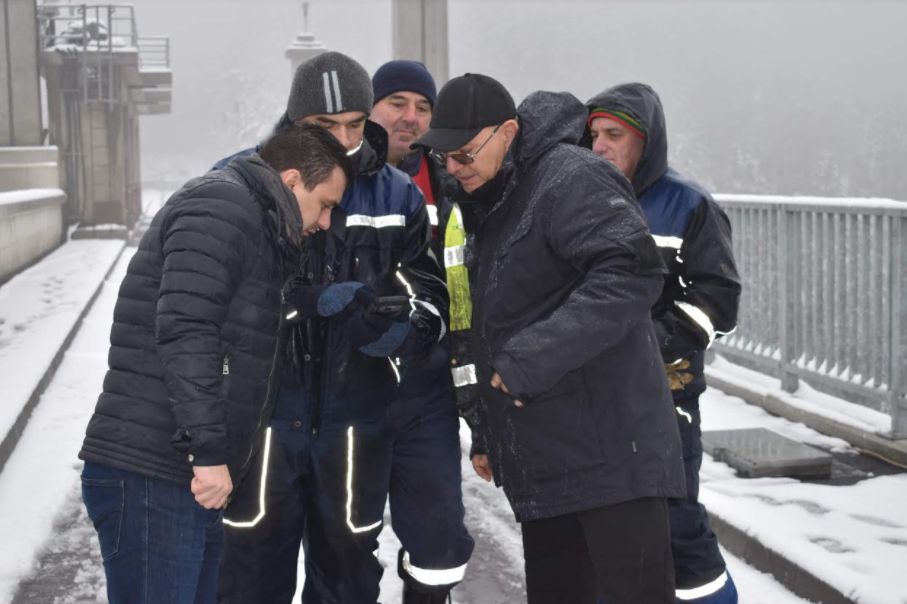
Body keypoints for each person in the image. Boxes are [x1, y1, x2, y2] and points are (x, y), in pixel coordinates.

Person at [415, 73, 686, 604]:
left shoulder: (571, 177)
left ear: (508, 132)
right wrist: (487, 427)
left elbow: (630, 273)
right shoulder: (492, 198)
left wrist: (532, 360)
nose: (454, 167)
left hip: (611, 454)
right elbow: (488, 321)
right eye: (445, 157)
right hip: (547, 457)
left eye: (465, 153)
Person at [78, 124, 352, 604]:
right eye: (325, 204)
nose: (327, 222)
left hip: (181, 474)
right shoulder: (222, 207)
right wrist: (206, 453)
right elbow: (188, 327)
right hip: (156, 474)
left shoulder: (252, 218)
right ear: (291, 180)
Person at [217, 51, 452, 604]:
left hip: (355, 429)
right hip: (262, 426)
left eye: (354, 123)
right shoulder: (240, 181)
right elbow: (213, 298)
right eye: (324, 124)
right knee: (248, 576)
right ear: (295, 119)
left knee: (347, 577)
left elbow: (431, 291)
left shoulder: (397, 193)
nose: (343, 139)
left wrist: (407, 331)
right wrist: (303, 304)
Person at [586, 82, 742, 604]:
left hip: (665, 394)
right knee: (610, 529)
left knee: (676, 524)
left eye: (614, 135)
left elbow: (719, 299)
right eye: (594, 135)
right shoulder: (582, 199)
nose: (600, 146)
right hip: (596, 396)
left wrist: (653, 341)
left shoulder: (689, 204)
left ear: (646, 141)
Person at [369, 59, 475, 603]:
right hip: (352, 388)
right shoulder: (336, 177)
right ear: (369, 108)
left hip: (428, 388)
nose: (410, 117)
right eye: (397, 103)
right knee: (344, 538)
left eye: (423, 107)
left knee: (439, 540)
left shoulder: (454, 181)